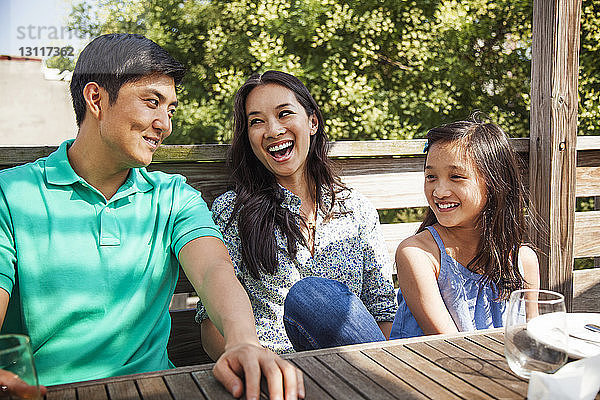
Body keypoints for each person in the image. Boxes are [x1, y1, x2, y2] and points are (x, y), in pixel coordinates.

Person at [0, 34, 303, 400]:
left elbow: (213, 270)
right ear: (96, 99)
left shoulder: (173, 196)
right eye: (152, 102)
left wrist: (242, 341)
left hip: (158, 390)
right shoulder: (11, 194)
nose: (165, 124)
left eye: (171, 109)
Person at [196, 70, 397, 357]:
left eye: (284, 113)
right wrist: (263, 371)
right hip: (277, 373)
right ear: (249, 137)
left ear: (312, 121)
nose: (273, 130)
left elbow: (382, 311)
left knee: (316, 296)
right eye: (257, 121)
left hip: (356, 372)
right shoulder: (233, 211)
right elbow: (212, 326)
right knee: (309, 296)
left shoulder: (357, 210)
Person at [390, 120, 540, 339]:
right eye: (431, 177)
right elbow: (453, 346)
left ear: (494, 182)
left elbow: (533, 339)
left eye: (456, 177)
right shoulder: (418, 254)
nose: (440, 191)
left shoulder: (523, 260)